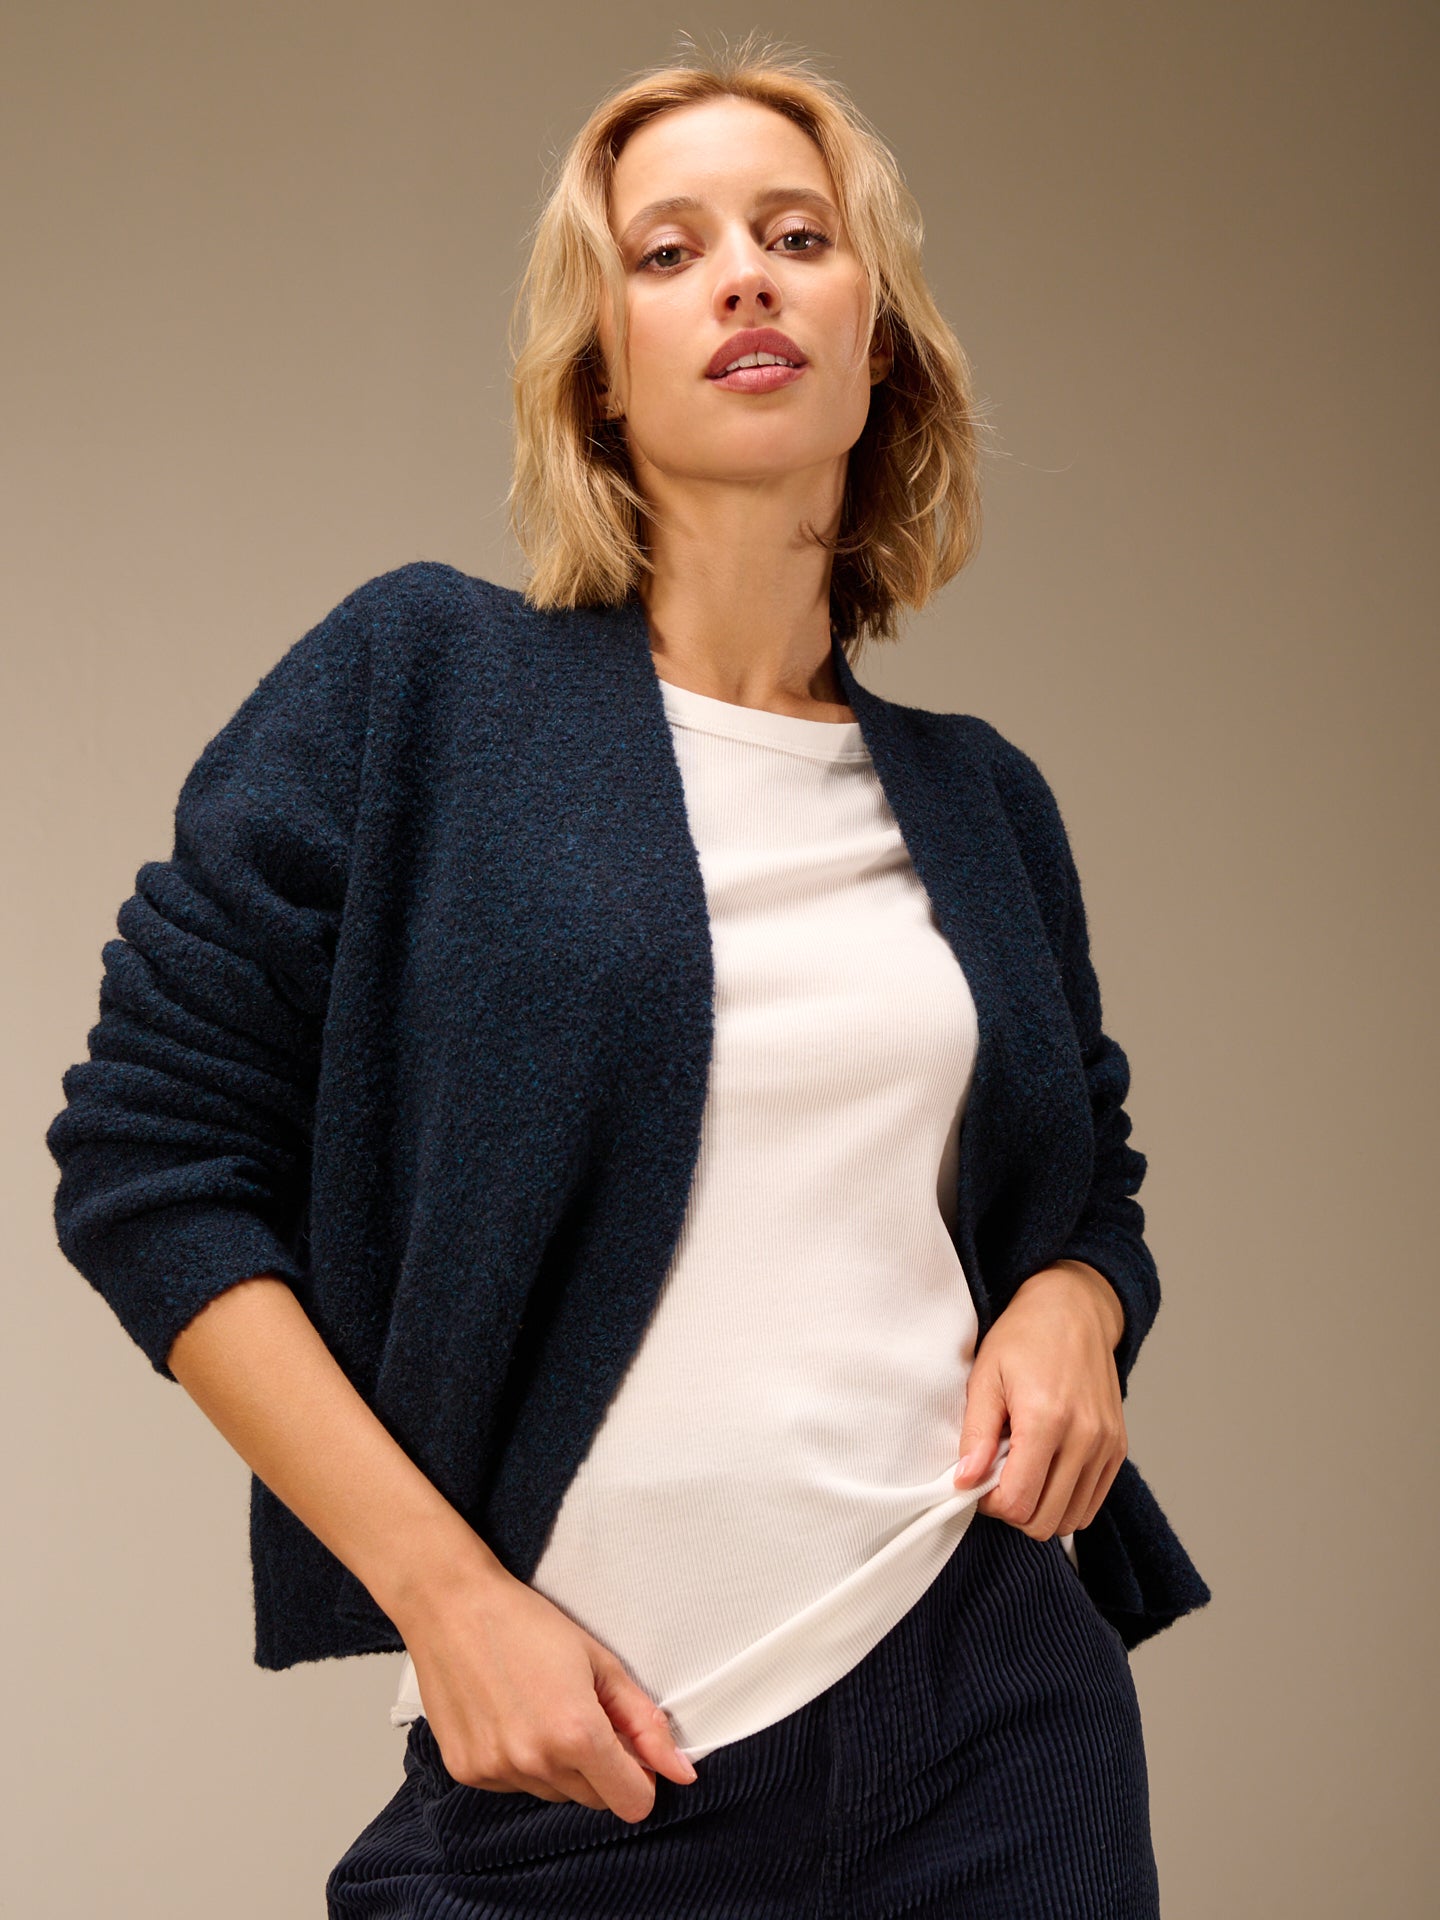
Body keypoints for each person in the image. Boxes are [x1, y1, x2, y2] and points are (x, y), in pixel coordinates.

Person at [46, 35, 1211, 1919]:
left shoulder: (983, 801)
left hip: (995, 1717)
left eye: (797, 237)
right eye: (667, 253)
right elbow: (146, 1160)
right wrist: (445, 1597)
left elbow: (1090, 1182)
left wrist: (1080, 1294)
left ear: (878, 340)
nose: (743, 277)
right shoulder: (423, 687)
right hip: (598, 1758)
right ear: (598, 368)